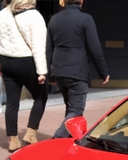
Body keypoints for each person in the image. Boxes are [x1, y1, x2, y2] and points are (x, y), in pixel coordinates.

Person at [46, 0, 110, 138]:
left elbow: (48, 50)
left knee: (70, 109)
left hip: (59, 70)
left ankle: (67, 144)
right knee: (76, 110)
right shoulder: (86, 19)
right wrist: (103, 72)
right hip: (77, 72)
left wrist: (50, 75)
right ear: (81, 1)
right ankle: (57, 139)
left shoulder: (54, 20)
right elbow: (95, 48)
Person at [0, 0, 48, 152]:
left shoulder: (2, 14)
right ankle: (30, 134)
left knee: (12, 101)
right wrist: (41, 71)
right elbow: (38, 46)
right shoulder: (35, 16)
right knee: (40, 96)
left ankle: (12, 140)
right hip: (26, 61)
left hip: (6, 60)